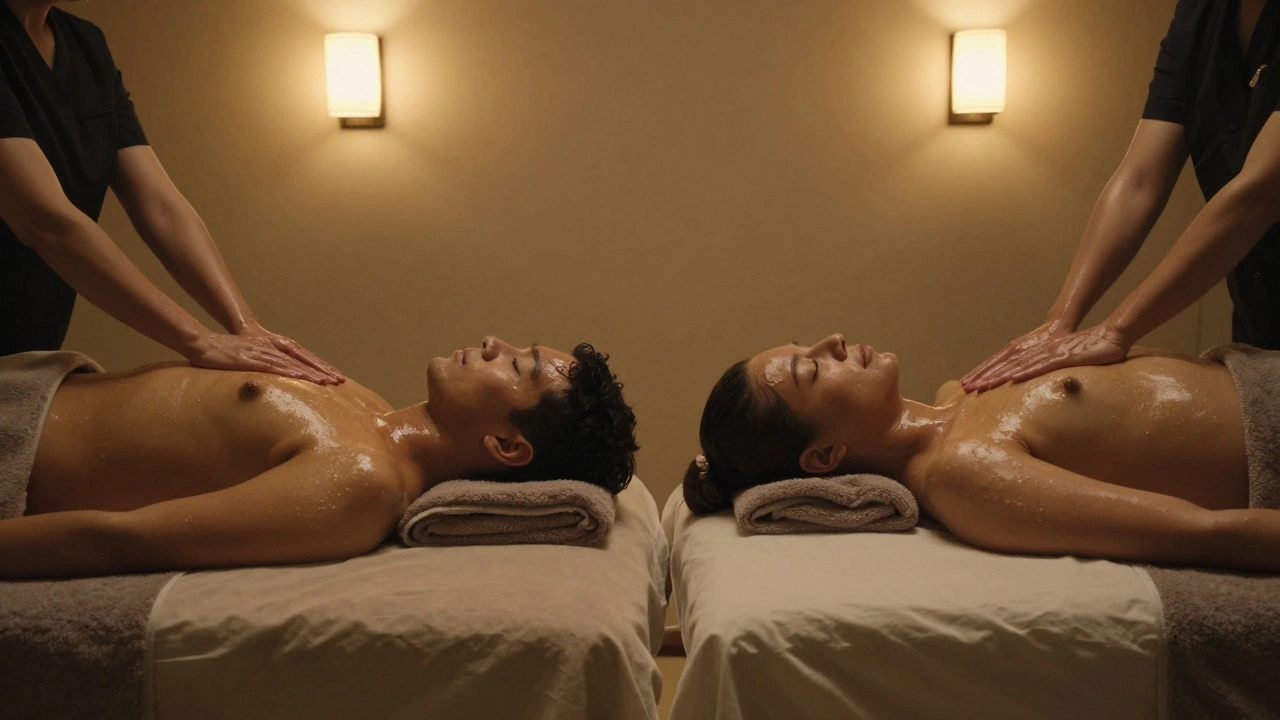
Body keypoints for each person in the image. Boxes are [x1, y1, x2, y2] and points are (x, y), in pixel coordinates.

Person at [0, 337, 638, 578]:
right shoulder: (368, 405)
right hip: (34, 381)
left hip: (17, 453)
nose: (495, 342)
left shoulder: (361, 484)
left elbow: (127, 540)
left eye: (518, 365)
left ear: (506, 447)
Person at [685, 333, 1280, 574]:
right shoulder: (961, 473)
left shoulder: (958, 395)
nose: (833, 340)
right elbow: (1203, 532)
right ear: (823, 457)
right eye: (812, 367)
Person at [0, 0, 341, 384]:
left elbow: (161, 207)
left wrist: (245, 326)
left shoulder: (84, 44)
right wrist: (197, 339)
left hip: (28, 356)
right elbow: (46, 222)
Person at [964, 0, 1280, 392]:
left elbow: (1258, 194)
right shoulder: (1199, 17)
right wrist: (1060, 321)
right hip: (1259, 323)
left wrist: (1117, 330)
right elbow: (1138, 182)